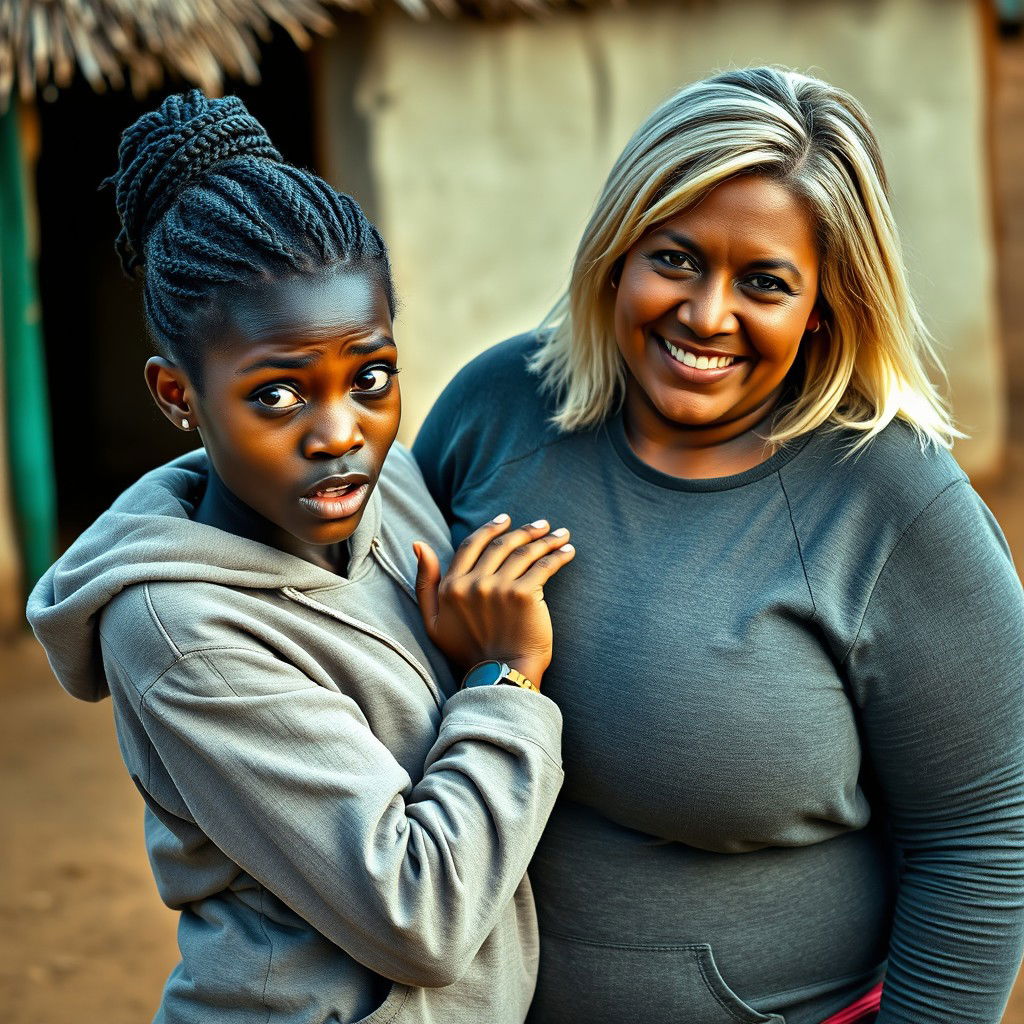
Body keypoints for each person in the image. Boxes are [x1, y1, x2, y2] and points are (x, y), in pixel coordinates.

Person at [414, 66, 1024, 1024]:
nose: (706, 315)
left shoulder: (895, 503)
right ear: (617, 251)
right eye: (677, 259)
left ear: (823, 306)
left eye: (766, 283)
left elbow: (985, 837)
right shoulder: (497, 409)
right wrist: (487, 674)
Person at [26, 91, 578, 1024]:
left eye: (370, 378)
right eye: (278, 394)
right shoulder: (181, 630)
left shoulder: (391, 484)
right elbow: (420, 917)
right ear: (178, 395)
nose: (340, 434)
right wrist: (504, 680)